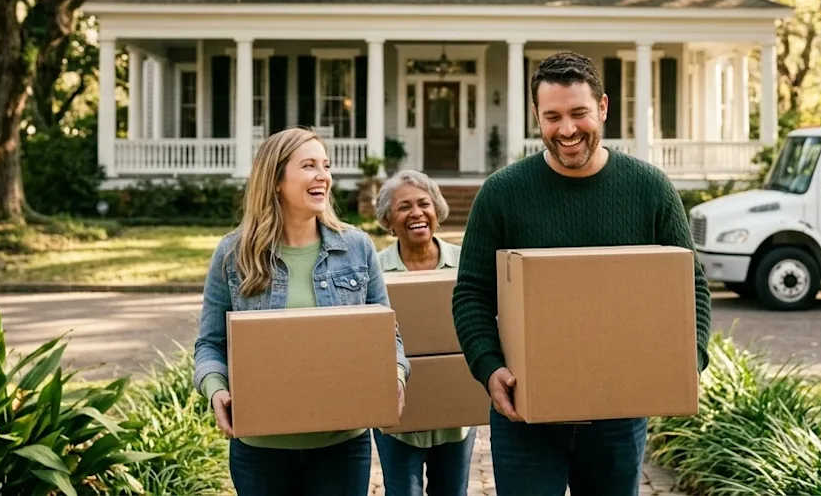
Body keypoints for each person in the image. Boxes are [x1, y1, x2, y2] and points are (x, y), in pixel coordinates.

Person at [451, 51, 713, 496]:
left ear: (604, 107)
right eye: (552, 117)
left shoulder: (649, 189)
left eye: (579, 113)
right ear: (537, 116)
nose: (567, 130)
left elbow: (691, 286)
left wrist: (687, 365)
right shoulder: (502, 194)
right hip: (525, 416)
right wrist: (488, 367)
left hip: (618, 415)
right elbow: (472, 295)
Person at [193, 127, 410, 496]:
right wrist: (217, 390)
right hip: (261, 451)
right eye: (308, 165)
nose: (322, 175)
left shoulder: (357, 247)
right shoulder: (234, 255)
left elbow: (388, 336)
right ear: (276, 180)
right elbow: (210, 344)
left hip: (342, 446)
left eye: (325, 166)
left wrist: (396, 375)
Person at [370, 169, 477, 496]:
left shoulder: (466, 262)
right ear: (388, 220)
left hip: (455, 413)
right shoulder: (375, 270)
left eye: (424, 204)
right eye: (404, 207)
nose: (416, 213)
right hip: (397, 413)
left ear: (437, 211)